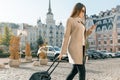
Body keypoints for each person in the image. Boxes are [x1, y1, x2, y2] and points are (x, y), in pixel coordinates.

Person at [58, 2, 96, 80]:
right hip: (74, 48)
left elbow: (83, 36)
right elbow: (66, 36)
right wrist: (62, 52)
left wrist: (90, 30)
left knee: (74, 71)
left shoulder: (81, 22)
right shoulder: (70, 20)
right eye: (82, 11)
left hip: (82, 48)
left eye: (84, 11)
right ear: (77, 10)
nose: (83, 13)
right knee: (82, 71)